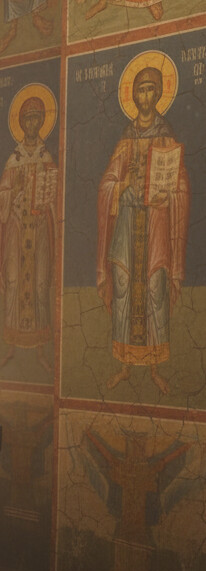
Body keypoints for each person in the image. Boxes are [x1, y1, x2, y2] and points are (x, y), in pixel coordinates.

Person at [96, 65, 189, 395]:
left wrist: (169, 195)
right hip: (125, 228)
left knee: (154, 289)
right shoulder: (126, 137)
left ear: (159, 93)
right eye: (140, 90)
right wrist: (121, 188)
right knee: (123, 287)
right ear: (133, 96)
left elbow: (180, 184)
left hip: (155, 226)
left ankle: (153, 367)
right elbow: (107, 182)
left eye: (151, 89)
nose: (145, 96)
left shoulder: (166, 135)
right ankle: (123, 364)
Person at [0, 95, 56, 372]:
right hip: (17, 230)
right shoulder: (14, 158)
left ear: (42, 122)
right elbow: (0, 198)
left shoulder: (46, 158)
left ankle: (41, 348)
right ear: (21, 123)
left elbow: (55, 194)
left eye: (36, 118)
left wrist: (46, 200)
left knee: (40, 284)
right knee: (14, 282)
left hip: (40, 229)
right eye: (27, 118)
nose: (32, 123)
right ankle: (11, 344)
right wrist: (14, 192)